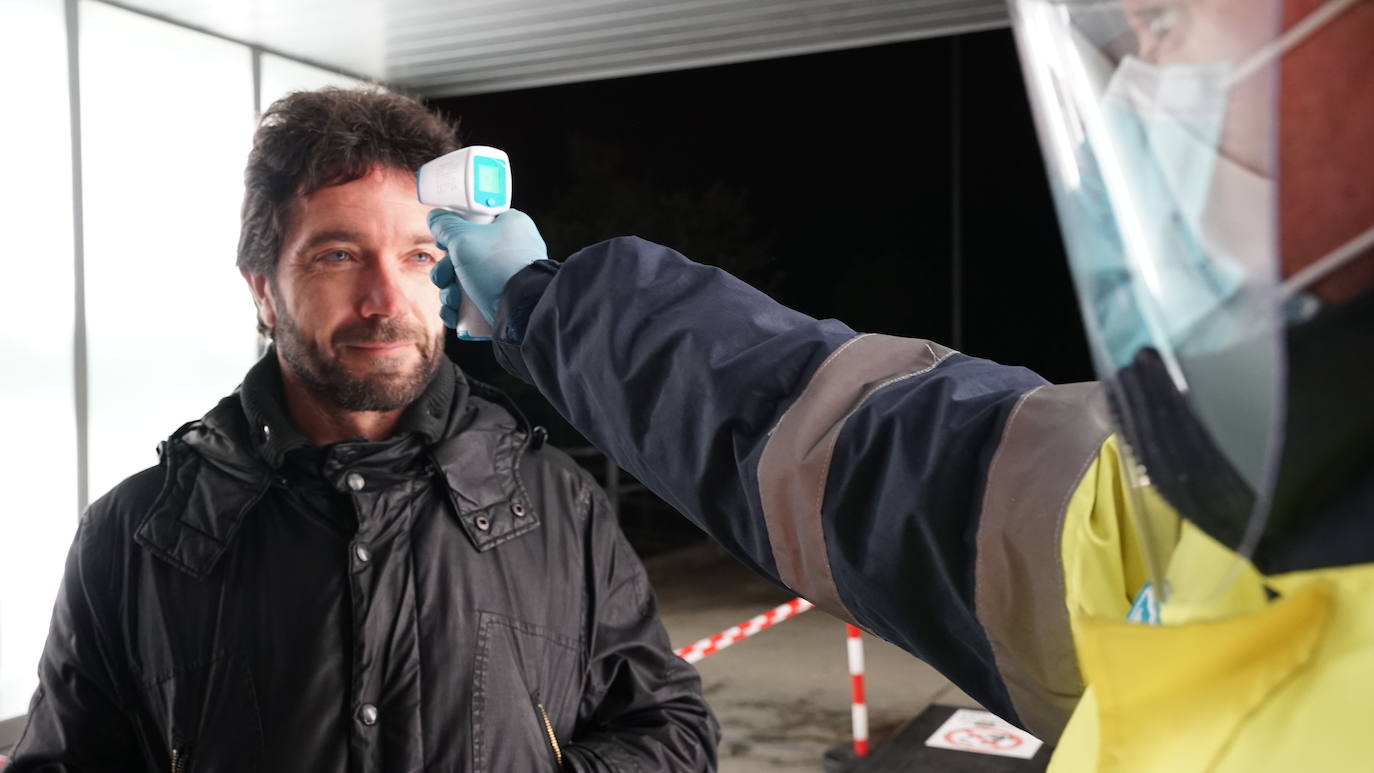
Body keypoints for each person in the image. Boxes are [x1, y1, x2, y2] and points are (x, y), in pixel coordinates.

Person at [425, 0, 1374, 769]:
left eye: (1170, 22)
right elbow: (878, 460)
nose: (1144, 97)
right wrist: (542, 304)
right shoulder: (1235, 499)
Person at [8, 88, 718, 772]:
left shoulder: (562, 507)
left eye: (418, 256)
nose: (386, 301)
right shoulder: (134, 534)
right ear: (263, 287)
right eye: (339, 255)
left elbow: (669, 731)